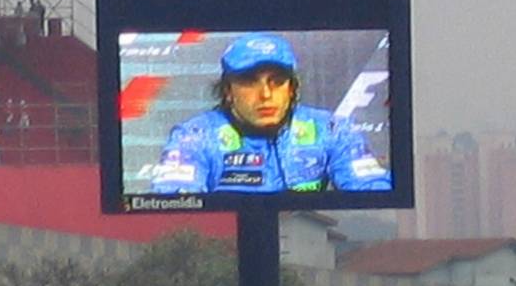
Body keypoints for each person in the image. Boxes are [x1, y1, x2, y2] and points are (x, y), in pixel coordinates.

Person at [151, 32, 392, 193]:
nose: (265, 94)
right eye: (249, 81)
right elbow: (174, 198)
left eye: (277, 81)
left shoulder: (332, 129)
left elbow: (372, 188)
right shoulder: (194, 136)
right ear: (228, 91)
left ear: (292, 89)